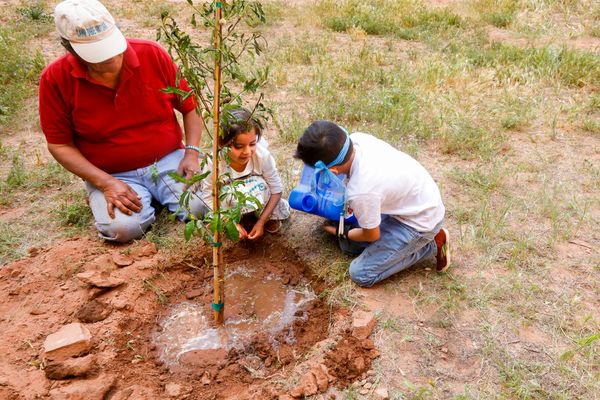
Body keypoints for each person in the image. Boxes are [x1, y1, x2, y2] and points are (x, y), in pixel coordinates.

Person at [39, 0, 204, 242]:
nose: (111, 58)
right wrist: (104, 182)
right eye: (97, 54)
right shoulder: (55, 79)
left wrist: (192, 153)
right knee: (123, 228)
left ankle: (156, 195)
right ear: (70, 48)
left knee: (203, 207)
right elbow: (59, 144)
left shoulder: (151, 54)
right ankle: (129, 197)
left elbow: (191, 108)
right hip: (113, 173)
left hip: (170, 160)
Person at [294, 121, 450, 287]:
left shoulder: (361, 190)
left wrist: (342, 232)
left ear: (332, 172)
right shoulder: (358, 140)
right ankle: (399, 243)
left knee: (361, 273)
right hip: (412, 201)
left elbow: (371, 235)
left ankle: (432, 244)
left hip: (420, 222)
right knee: (349, 247)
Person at [199, 108, 290, 240]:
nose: (247, 151)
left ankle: (261, 217)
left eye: (252, 144)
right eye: (239, 146)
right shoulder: (214, 163)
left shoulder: (262, 156)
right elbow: (208, 197)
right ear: (222, 144)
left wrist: (262, 221)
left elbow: (276, 190)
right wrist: (229, 222)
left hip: (259, 198)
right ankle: (236, 221)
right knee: (224, 196)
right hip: (230, 205)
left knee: (261, 185)